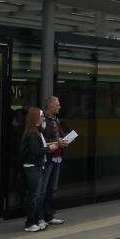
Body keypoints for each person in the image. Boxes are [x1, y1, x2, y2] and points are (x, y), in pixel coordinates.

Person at [19, 107, 58, 232]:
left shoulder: (36, 131)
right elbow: (35, 151)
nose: (43, 117)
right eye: (41, 115)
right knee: (33, 196)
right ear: (36, 117)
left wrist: (50, 145)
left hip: (36, 166)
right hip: (33, 167)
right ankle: (30, 223)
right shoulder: (32, 133)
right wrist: (49, 148)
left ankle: (36, 220)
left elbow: (39, 147)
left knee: (35, 195)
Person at [39, 96, 69, 225]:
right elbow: (41, 139)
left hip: (57, 156)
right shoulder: (42, 120)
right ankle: (40, 216)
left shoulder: (56, 119)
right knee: (43, 189)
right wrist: (57, 141)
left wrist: (64, 139)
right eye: (57, 105)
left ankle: (49, 215)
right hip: (48, 157)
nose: (59, 107)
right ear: (50, 106)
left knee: (53, 188)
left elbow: (58, 135)